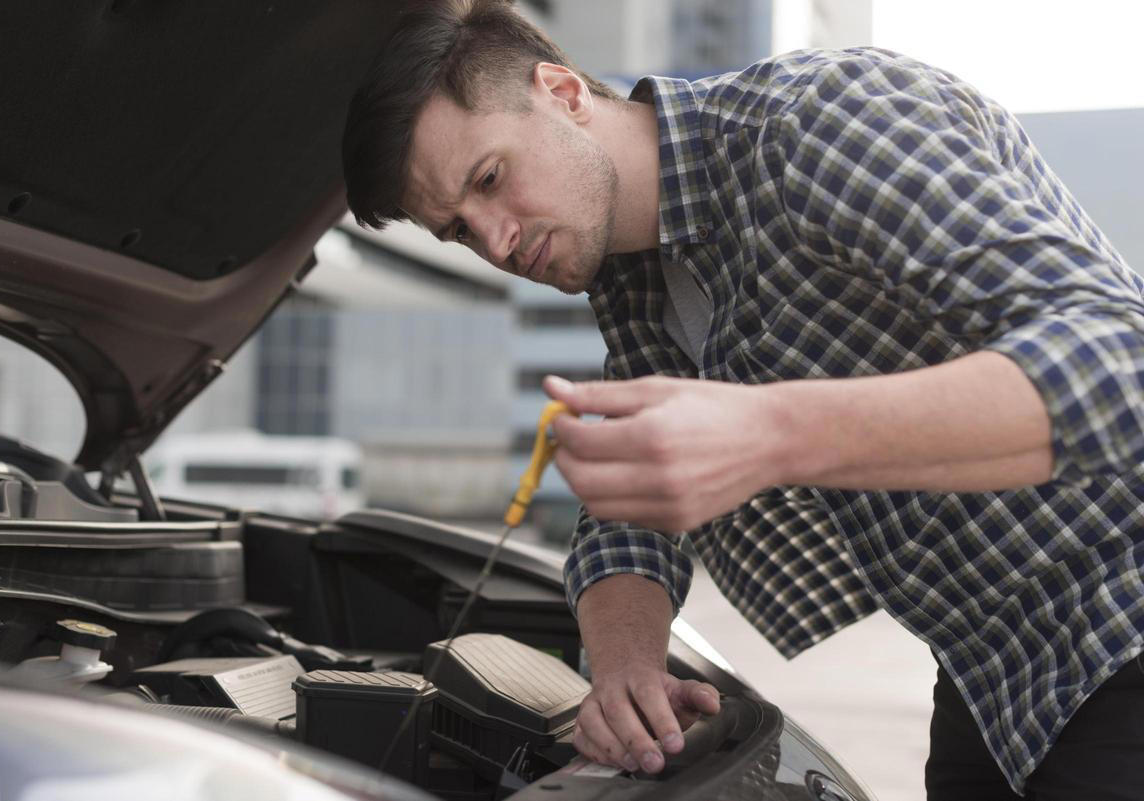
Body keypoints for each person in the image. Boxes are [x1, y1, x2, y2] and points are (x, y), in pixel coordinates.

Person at [340, 1, 1144, 798]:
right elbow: (631, 509)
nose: (496, 241)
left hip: (1120, 621)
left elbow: (1119, 361)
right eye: (458, 230)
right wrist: (625, 667)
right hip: (990, 674)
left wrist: (772, 431)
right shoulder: (631, 267)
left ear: (563, 92)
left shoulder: (820, 126)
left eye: (489, 179)